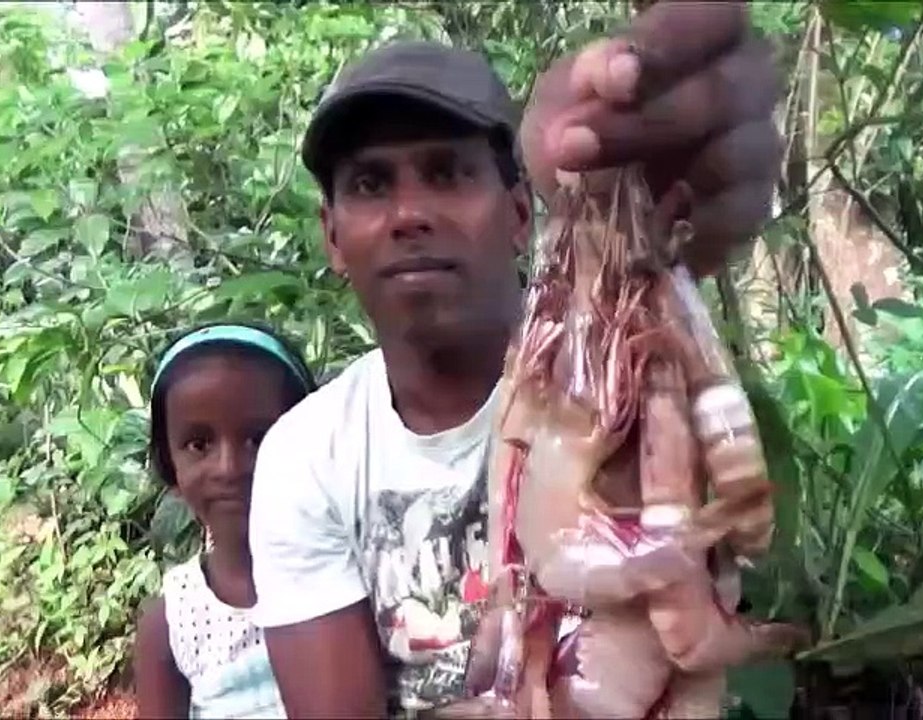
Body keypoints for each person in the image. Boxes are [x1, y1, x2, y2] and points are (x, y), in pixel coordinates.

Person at [247, 3, 782, 717]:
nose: (409, 213)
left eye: (447, 172)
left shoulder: (630, 374)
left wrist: (611, 155)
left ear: (521, 214)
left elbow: (733, 516)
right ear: (333, 238)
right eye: (372, 184)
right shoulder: (307, 456)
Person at [133, 322, 318, 719]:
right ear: (170, 466)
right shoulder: (172, 625)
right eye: (199, 444)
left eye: (260, 438)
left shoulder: (359, 569)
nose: (229, 468)